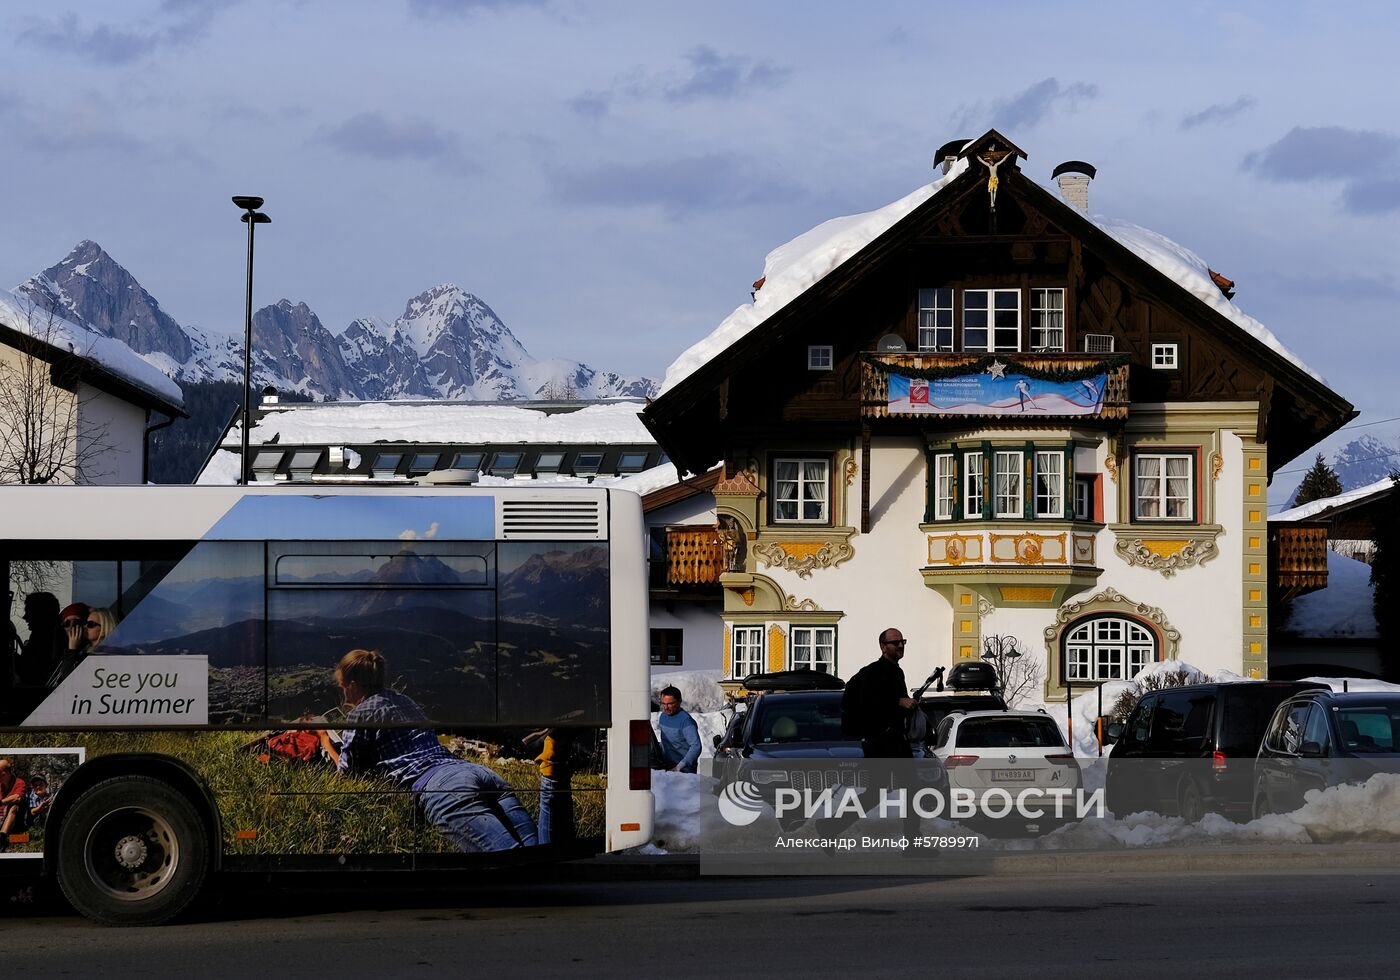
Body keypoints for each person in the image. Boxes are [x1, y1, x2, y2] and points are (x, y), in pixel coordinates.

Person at [316, 649, 537, 852]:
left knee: (512, 864)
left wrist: (325, 740)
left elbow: (347, 774)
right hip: (477, 772)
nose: (343, 693)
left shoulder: (360, 714)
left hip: (442, 786)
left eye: (342, 687)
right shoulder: (405, 700)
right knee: (539, 857)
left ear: (353, 685)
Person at [47, 604, 115, 687]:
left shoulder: (106, 655)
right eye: (66, 623)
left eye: (90, 624)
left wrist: (71, 650)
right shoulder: (83, 651)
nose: (85, 627)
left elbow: (72, 682)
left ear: (104, 628)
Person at [17, 592, 64, 687]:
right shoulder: (49, 635)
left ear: (41, 614)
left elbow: (33, 675)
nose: (25, 617)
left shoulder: (46, 638)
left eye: (29, 612)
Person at [656, 686, 701, 773]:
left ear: (679, 701)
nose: (666, 707)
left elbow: (696, 746)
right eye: (663, 704)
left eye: (670, 704)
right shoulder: (663, 717)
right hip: (666, 767)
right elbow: (668, 741)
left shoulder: (686, 721)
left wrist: (680, 766)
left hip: (683, 771)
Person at [0, 759, 28, 843]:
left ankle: (2, 836)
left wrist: (1, 802)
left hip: (14, 819)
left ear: (5, 773)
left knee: (14, 806)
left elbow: (17, 797)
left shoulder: (20, 782)